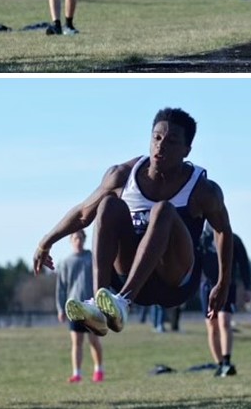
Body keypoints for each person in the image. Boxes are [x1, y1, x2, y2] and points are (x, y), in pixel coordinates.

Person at [33, 107, 235, 345]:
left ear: (186, 150)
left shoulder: (203, 189)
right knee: (108, 204)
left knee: (163, 210)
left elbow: (223, 230)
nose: (161, 146)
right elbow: (83, 214)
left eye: (171, 141)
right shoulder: (122, 175)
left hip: (173, 280)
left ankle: (122, 302)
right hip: (129, 272)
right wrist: (45, 242)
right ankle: (101, 303)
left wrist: (223, 283)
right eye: (157, 138)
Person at [199, 225, 251, 377]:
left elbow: (244, 264)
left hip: (227, 286)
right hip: (207, 286)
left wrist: (248, 288)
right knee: (212, 325)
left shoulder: (232, 239)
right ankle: (220, 363)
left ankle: (227, 360)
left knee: (224, 321)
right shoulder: (202, 240)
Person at [55, 230, 105, 384]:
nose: (78, 241)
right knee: (76, 342)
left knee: (93, 340)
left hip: (91, 305)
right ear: (71, 240)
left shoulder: (92, 258)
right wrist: (60, 308)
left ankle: (99, 370)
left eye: (81, 238)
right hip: (74, 307)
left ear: (84, 239)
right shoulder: (65, 262)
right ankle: (76, 373)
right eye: (75, 238)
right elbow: (61, 287)